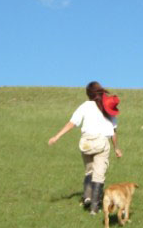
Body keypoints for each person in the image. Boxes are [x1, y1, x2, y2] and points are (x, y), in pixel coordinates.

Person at [48, 81, 123, 214]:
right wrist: (116, 148)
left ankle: (87, 197)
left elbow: (72, 123)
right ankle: (94, 208)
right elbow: (113, 132)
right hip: (101, 142)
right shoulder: (108, 107)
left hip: (86, 143)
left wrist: (57, 136)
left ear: (88, 94)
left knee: (89, 171)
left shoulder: (85, 106)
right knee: (99, 174)